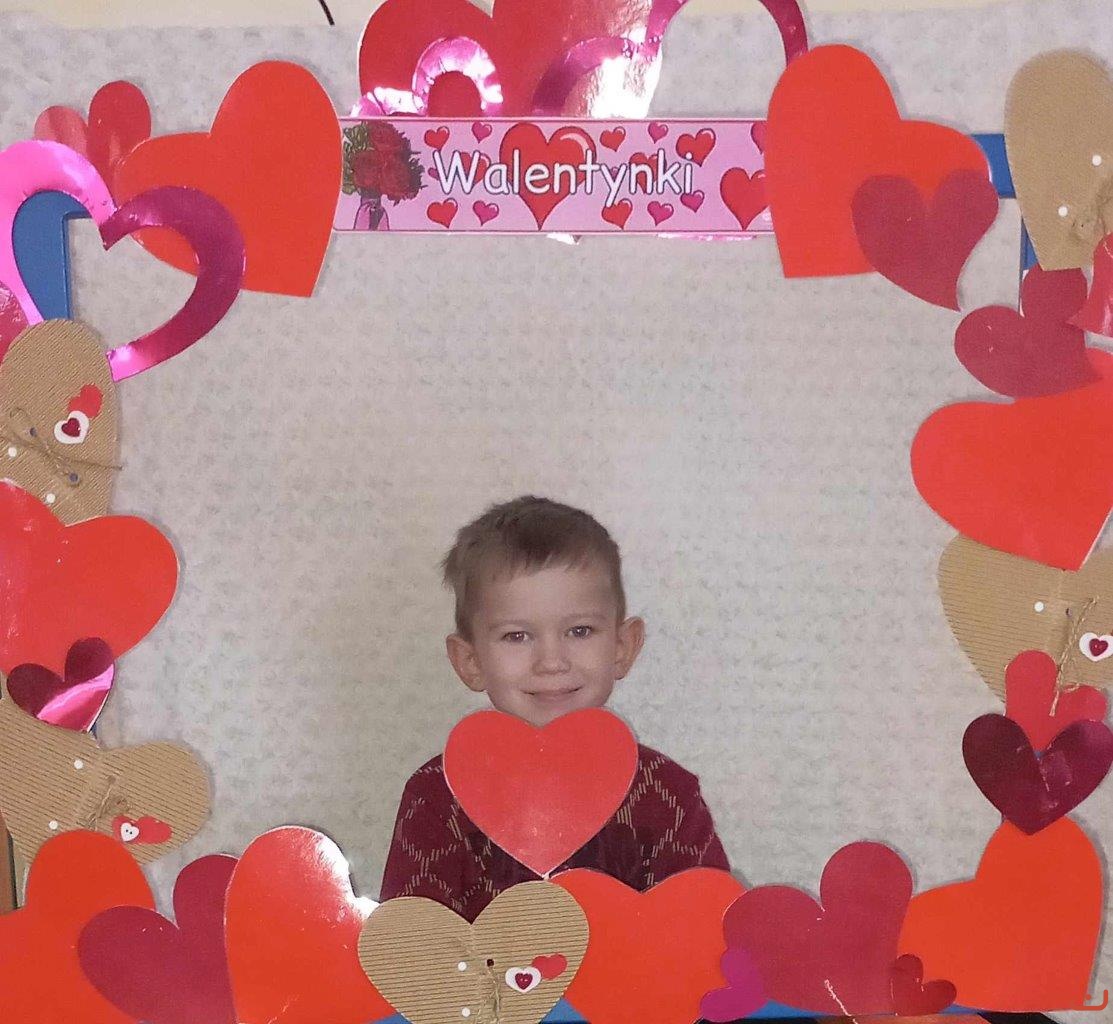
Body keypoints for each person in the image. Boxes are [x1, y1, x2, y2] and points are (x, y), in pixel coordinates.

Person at [379, 495, 730, 920]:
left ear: (622, 647)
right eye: (517, 636)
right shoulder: (436, 796)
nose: (551, 661)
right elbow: (407, 943)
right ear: (470, 662)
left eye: (579, 631)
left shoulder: (667, 794)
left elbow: (707, 929)